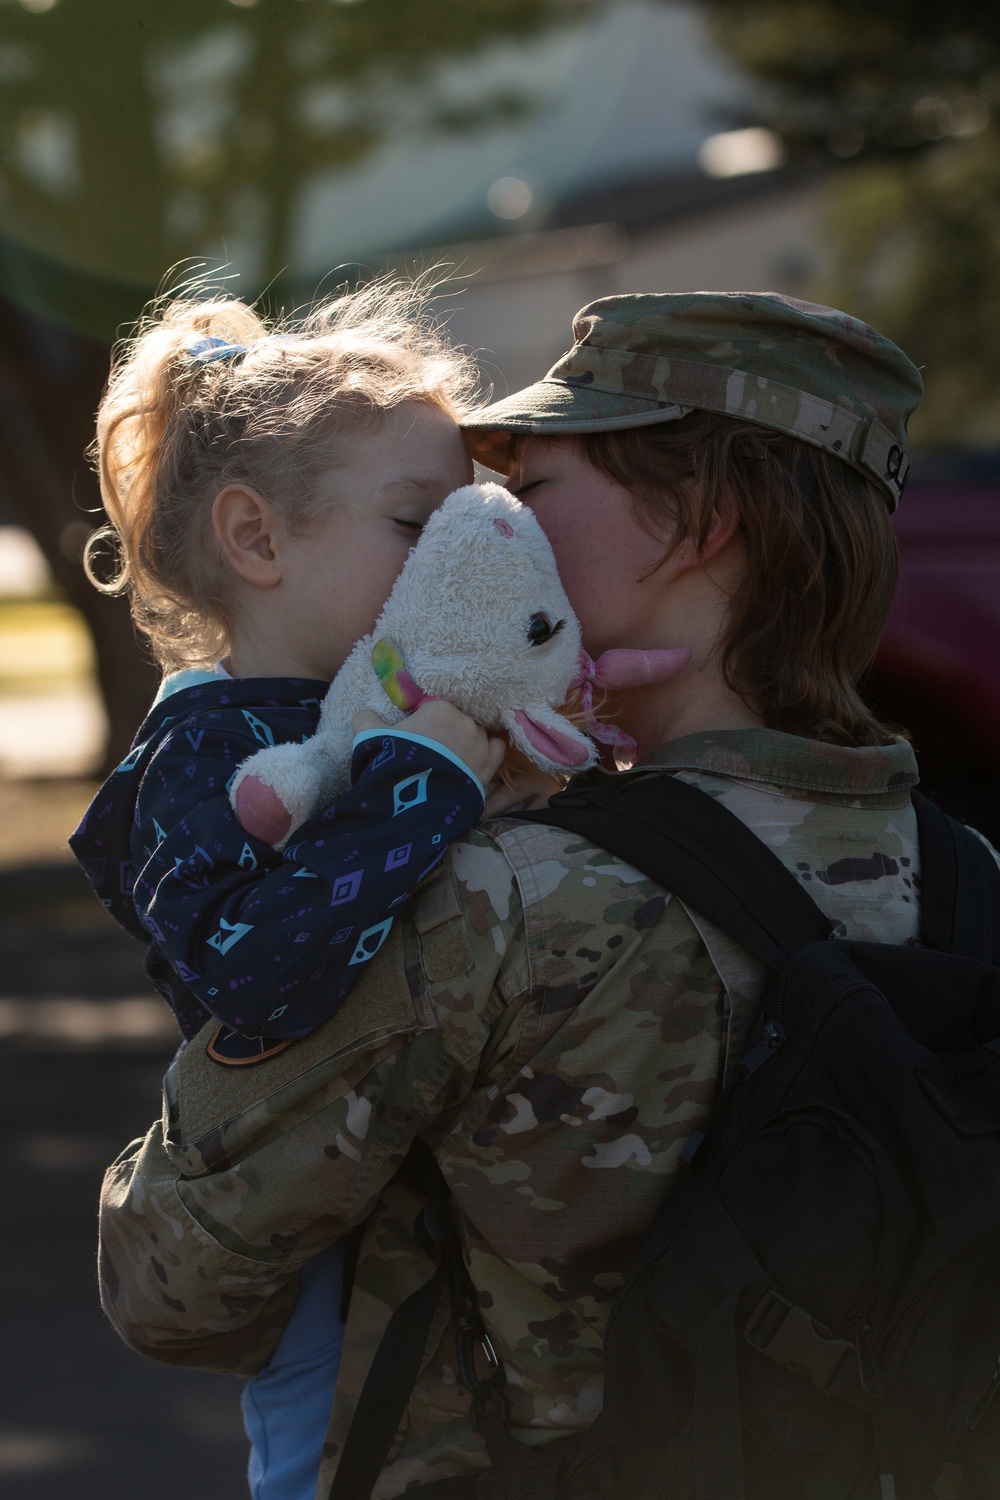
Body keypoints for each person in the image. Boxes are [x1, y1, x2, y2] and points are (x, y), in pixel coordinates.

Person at [97, 291, 929, 1498]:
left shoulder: (497, 899)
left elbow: (166, 1285)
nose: (480, 536)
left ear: (698, 523)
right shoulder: (966, 877)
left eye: (526, 495)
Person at [69, 282, 506, 1500]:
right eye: (421, 526)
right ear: (258, 540)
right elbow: (252, 970)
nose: (457, 558)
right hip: (314, 1230)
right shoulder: (196, 756)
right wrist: (427, 789)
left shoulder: (385, 708)